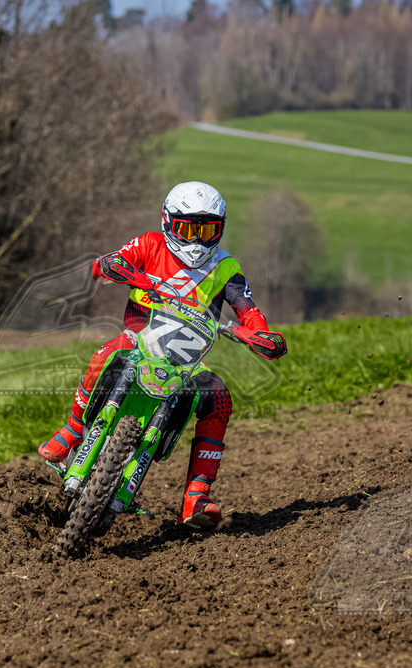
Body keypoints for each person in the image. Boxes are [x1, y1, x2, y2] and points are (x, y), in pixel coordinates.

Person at [39, 181, 287, 529]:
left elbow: (247, 308)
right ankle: (73, 430)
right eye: (188, 229)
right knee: (105, 353)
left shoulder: (226, 268)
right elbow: (104, 266)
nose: (197, 241)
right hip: (138, 338)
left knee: (219, 400)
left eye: (207, 230)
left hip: (188, 358)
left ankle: (196, 497)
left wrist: (259, 333)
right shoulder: (149, 244)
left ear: (221, 229)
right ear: (169, 223)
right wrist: (125, 272)